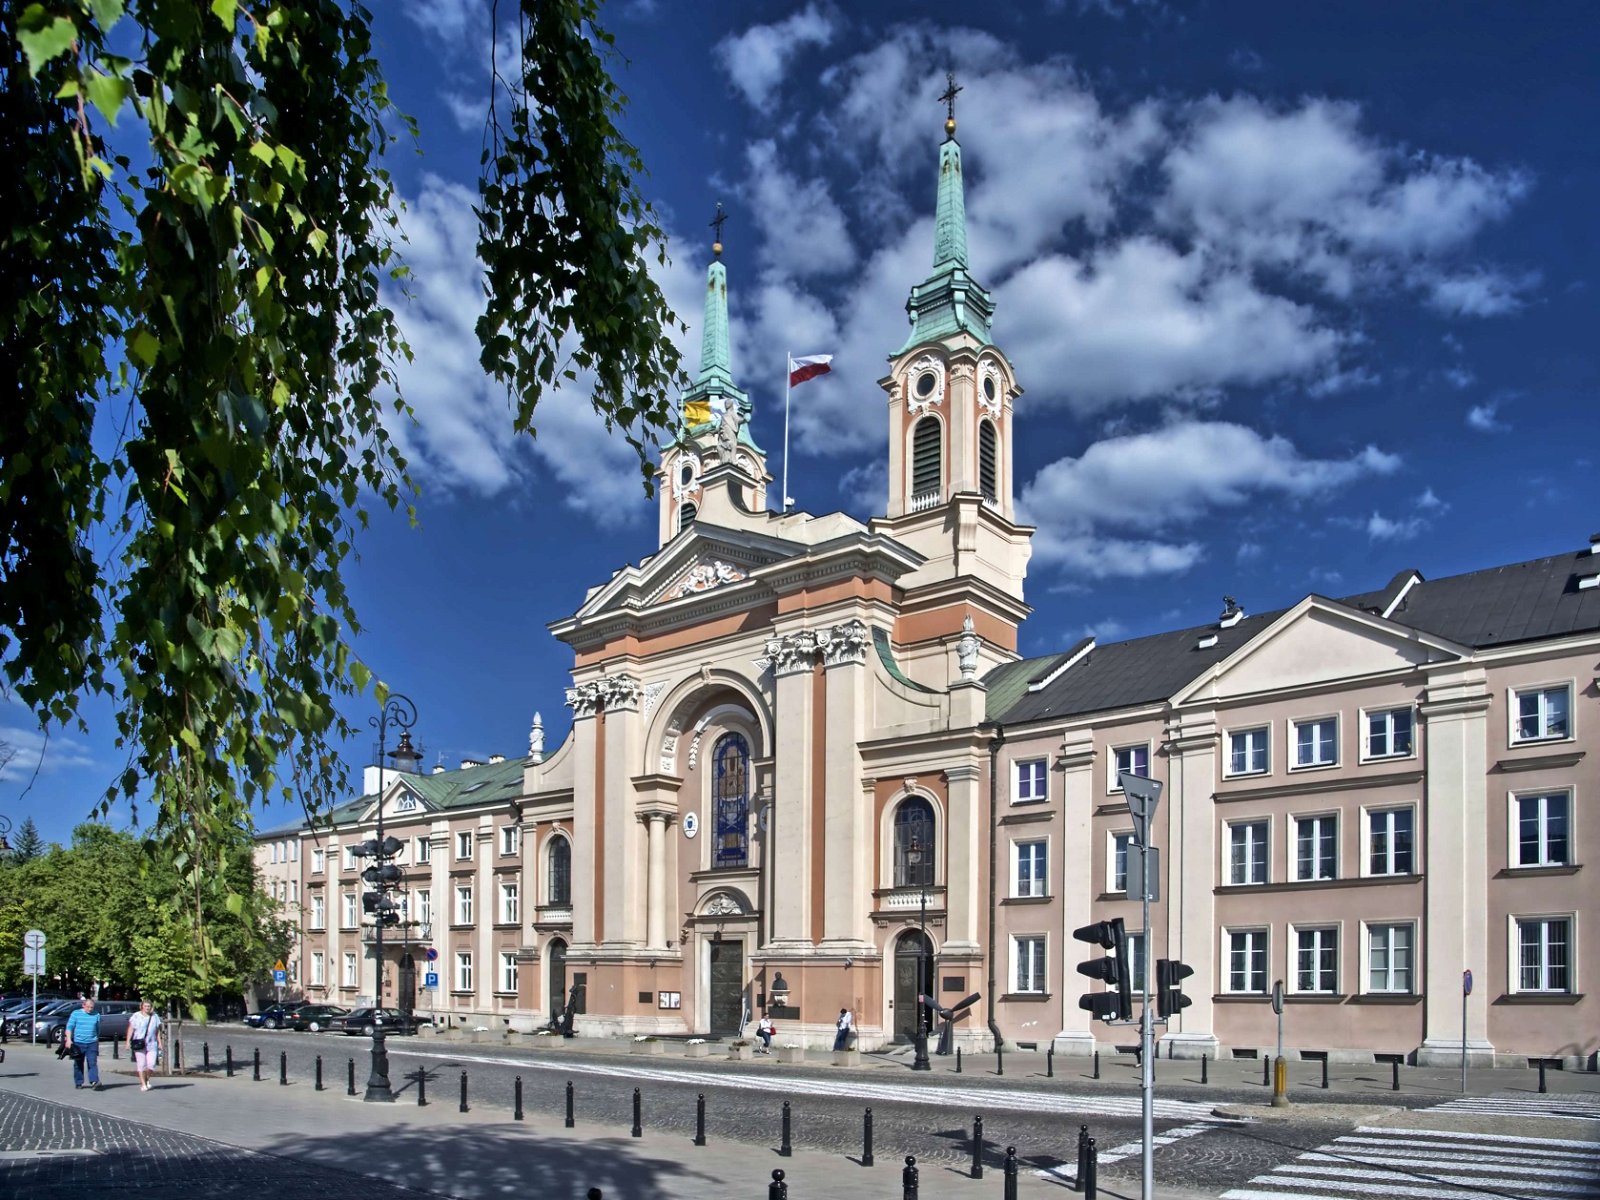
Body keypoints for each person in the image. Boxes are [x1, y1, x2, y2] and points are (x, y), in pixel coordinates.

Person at [63, 997, 102, 1090]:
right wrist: (68, 1039)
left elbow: (98, 1029)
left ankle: (94, 1081)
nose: (90, 1009)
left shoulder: (96, 1015)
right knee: (78, 1063)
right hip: (79, 1043)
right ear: (83, 1005)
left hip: (92, 1042)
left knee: (92, 1062)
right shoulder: (76, 1014)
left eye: (92, 1007)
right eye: (88, 1007)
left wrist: (97, 1039)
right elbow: (69, 1027)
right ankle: (79, 1082)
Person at [127, 1000, 162, 1092]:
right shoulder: (136, 1016)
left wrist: (160, 1042)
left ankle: (146, 1079)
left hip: (152, 1043)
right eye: (145, 1006)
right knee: (141, 1064)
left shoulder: (155, 1017)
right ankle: (143, 1084)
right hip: (139, 1043)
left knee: (151, 1065)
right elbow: (131, 1029)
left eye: (149, 1006)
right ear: (142, 1006)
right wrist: (127, 1041)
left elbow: (157, 1031)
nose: (147, 1008)